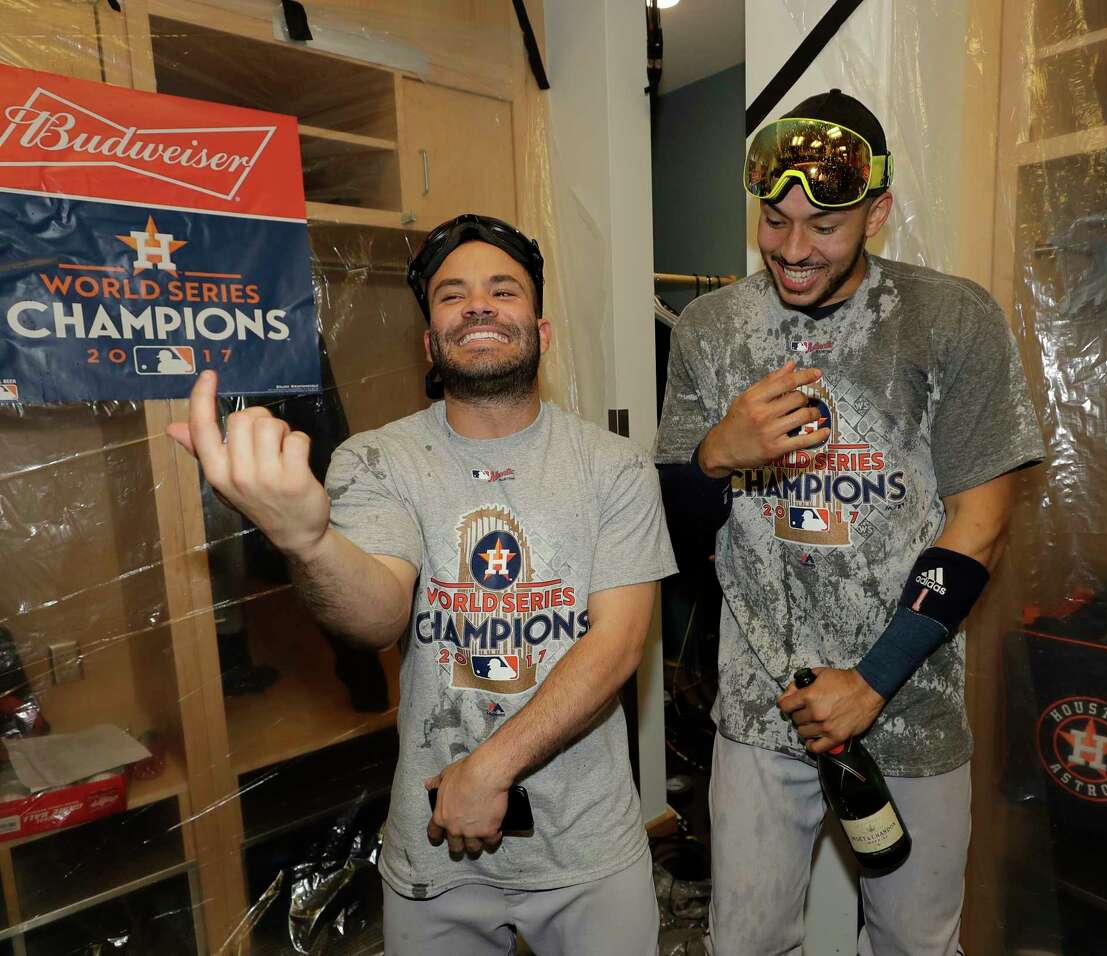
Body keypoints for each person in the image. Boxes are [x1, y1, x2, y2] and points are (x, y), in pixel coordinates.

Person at [168, 213, 677, 956]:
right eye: (451, 295)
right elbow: (376, 615)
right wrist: (305, 541)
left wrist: (490, 767)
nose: (478, 304)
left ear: (542, 329)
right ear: (429, 344)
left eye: (502, 291)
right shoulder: (378, 461)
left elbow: (621, 642)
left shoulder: (615, 467)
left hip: (588, 850)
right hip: (435, 856)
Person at [654, 90, 1045, 956]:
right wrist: (718, 452)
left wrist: (871, 683)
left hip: (907, 704)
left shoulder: (952, 318)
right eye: (775, 219)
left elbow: (982, 521)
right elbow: (674, 531)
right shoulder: (710, 331)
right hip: (758, 709)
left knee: (915, 944)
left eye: (824, 226)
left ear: (878, 211)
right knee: (745, 943)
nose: (794, 250)